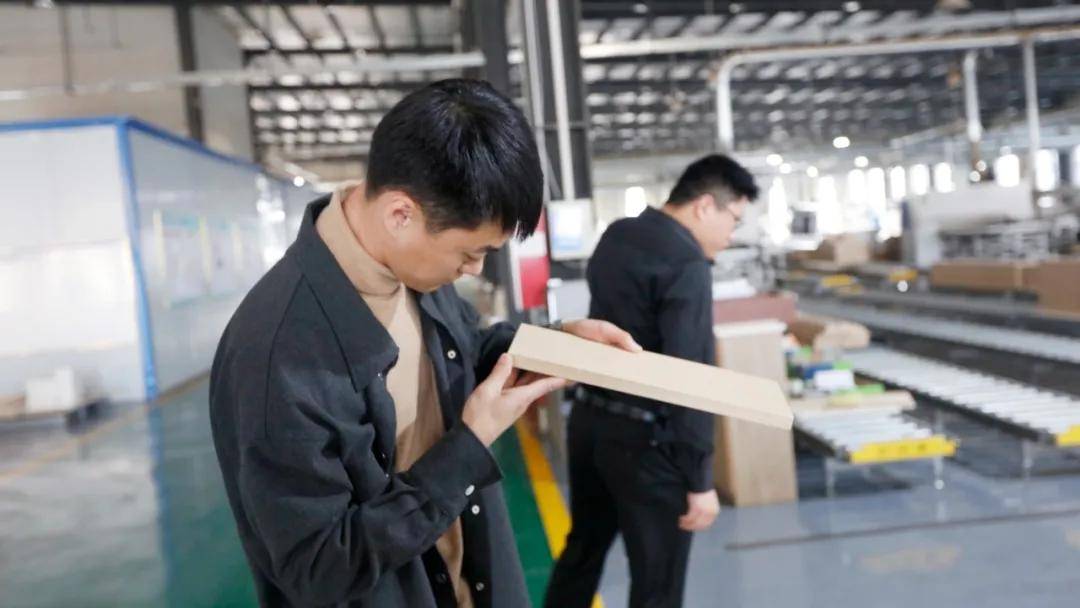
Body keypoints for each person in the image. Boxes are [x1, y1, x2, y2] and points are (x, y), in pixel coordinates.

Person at [209, 79, 640, 608]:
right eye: (470, 253)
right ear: (400, 214)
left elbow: (464, 348)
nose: (474, 269)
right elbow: (320, 571)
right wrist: (469, 445)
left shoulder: (414, 269)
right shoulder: (277, 356)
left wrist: (555, 344)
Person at [544, 154, 760, 608]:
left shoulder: (617, 234)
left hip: (589, 425)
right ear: (705, 206)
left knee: (582, 551)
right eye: (733, 219)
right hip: (647, 445)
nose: (731, 234)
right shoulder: (687, 263)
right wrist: (700, 479)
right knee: (657, 583)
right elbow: (689, 374)